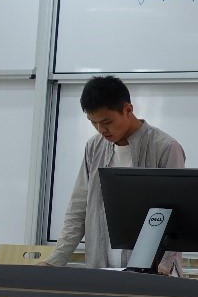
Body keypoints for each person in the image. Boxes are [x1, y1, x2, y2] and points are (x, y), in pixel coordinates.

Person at [41, 75, 186, 275]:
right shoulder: (94, 147)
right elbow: (78, 208)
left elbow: (178, 215)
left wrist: (164, 265)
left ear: (128, 109)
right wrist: (54, 261)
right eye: (93, 123)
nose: (101, 130)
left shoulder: (165, 147)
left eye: (107, 121)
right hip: (100, 267)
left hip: (154, 272)